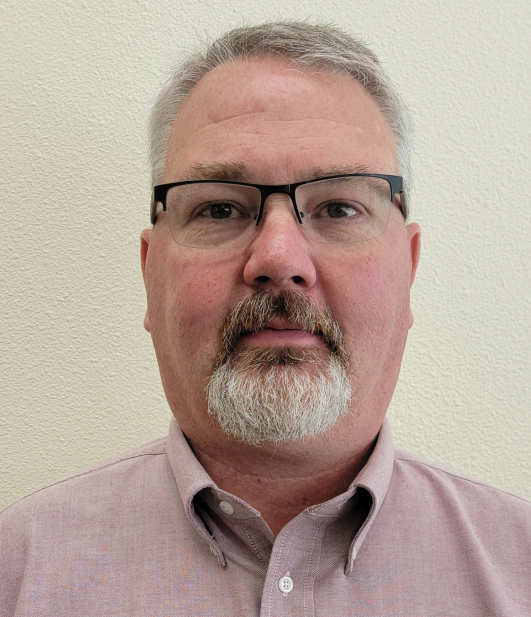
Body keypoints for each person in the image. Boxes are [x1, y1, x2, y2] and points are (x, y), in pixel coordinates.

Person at [1, 20, 529, 617]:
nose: (279, 258)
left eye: (338, 208)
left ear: (408, 269)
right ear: (151, 273)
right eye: (220, 208)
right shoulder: (16, 572)